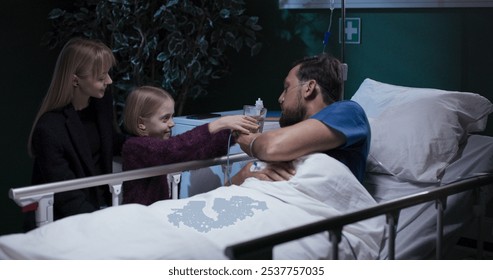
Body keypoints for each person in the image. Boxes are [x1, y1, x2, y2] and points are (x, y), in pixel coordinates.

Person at [27, 37, 126, 229]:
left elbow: (113, 141)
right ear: (75, 80)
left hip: (99, 208)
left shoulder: (101, 104)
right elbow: (66, 194)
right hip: (62, 221)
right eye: (100, 77)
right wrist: (100, 223)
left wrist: (155, 147)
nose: (109, 81)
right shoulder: (48, 129)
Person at [231, 53, 370, 185]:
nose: (281, 98)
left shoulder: (349, 111)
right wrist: (245, 173)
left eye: (287, 88)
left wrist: (246, 140)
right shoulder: (294, 144)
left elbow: (271, 146)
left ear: (309, 88)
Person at [121, 86, 259, 205]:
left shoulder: (162, 146)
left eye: (172, 117)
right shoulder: (134, 147)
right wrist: (217, 124)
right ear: (141, 124)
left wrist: (232, 135)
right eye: (165, 118)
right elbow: (174, 149)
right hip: (139, 218)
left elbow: (199, 152)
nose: (172, 123)